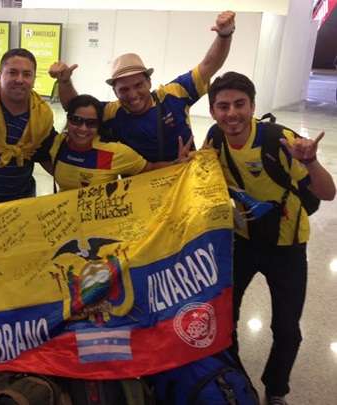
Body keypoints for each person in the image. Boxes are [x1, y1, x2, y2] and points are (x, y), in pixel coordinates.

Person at [205, 71, 335, 405]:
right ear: (212, 110)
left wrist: (310, 161)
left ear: (252, 106)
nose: (231, 113)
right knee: (224, 318)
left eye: (239, 104)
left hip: (287, 247)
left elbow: (328, 192)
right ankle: (234, 379)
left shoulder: (280, 141)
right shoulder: (214, 140)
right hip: (242, 242)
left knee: (287, 329)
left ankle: (275, 389)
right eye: (223, 106)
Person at [48, 10, 236, 162]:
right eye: (124, 89)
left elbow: (209, 65)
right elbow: (74, 107)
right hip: (139, 189)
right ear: (114, 91)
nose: (133, 94)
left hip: (184, 180)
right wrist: (64, 81)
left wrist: (224, 35)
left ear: (149, 82)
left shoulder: (173, 94)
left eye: (138, 85)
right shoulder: (111, 111)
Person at [0, 48, 57, 208]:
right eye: (12, 72)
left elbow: (47, 157)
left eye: (27, 74)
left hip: (20, 204)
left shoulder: (42, 115)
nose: (19, 79)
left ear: (34, 79)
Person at [51, 94, 191, 192]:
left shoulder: (113, 152)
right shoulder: (58, 143)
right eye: (76, 120)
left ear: (99, 125)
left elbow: (149, 168)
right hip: (64, 224)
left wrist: (177, 164)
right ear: (68, 119)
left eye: (91, 123)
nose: (83, 128)